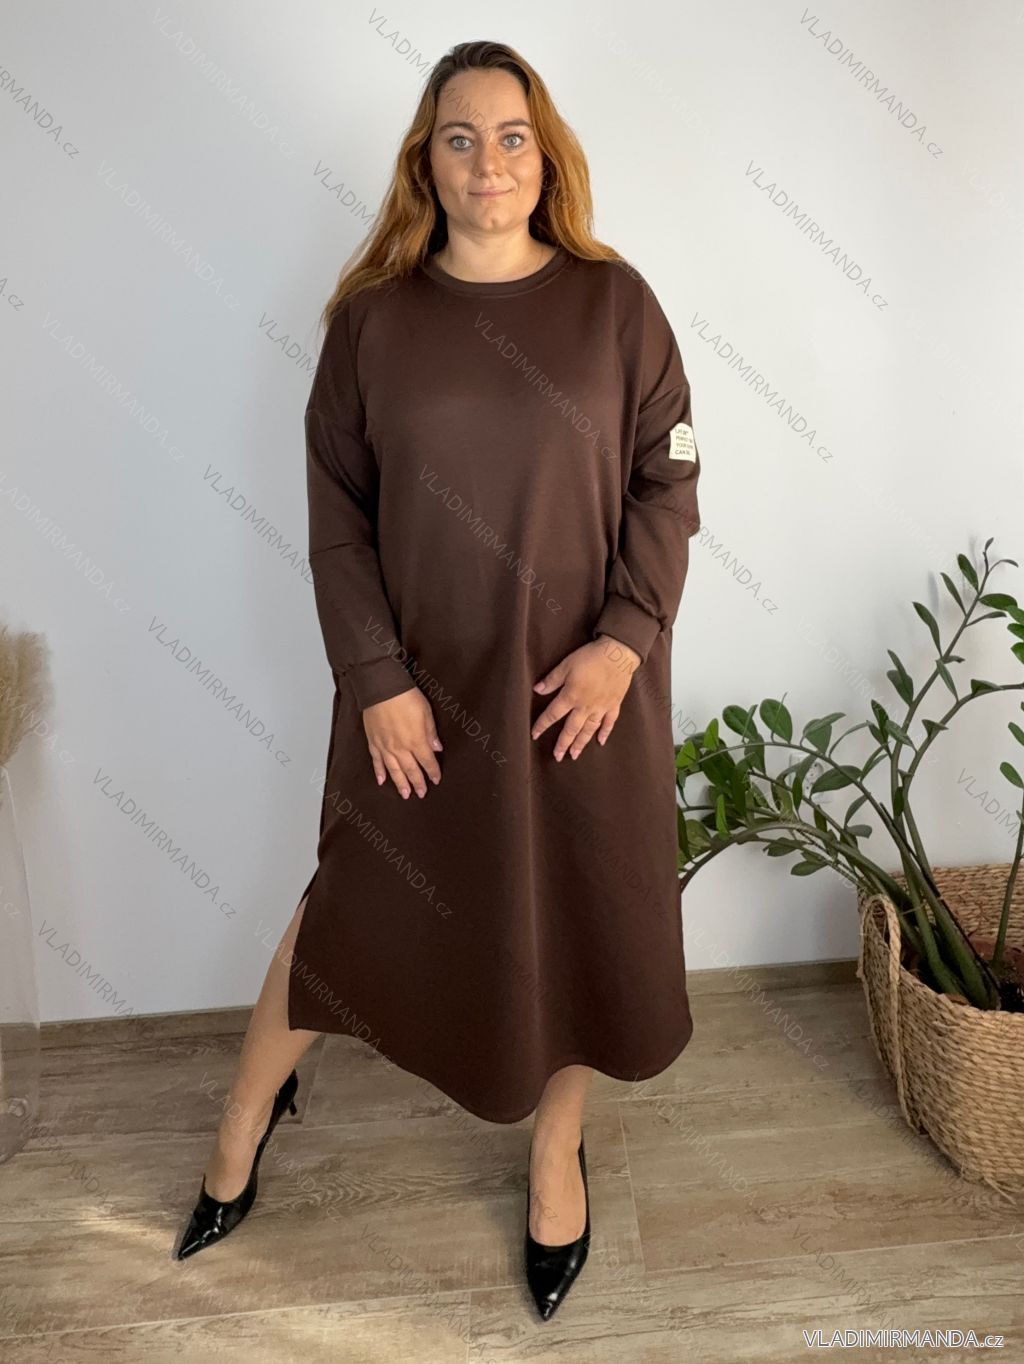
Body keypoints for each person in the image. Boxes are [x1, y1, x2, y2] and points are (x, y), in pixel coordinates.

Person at [175, 39, 702, 1322]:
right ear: (426, 161)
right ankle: (245, 1110)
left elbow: (667, 480)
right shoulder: (372, 324)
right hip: (418, 697)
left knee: (578, 907)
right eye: (460, 138)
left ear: (545, 154)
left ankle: (554, 1152)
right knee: (351, 909)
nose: (488, 162)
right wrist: (375, 677)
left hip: (580, 696)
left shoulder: (616, 305)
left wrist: (624, 639)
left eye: (511, 136)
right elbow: (337, 523)